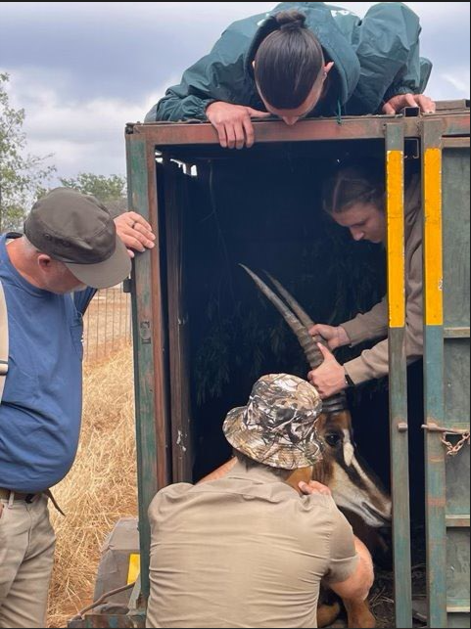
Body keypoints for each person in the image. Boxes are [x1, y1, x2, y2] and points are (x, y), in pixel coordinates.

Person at [0, 188, 155, 629]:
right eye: (87, 274)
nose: (93, 284)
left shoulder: (61, 284)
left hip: (33, 514)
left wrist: (109, 235)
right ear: (45, 261)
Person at [146, 374, 374, 628]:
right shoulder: (320, 520)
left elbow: (199, 491)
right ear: (302, 458)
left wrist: (254, 448)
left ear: (236, 439)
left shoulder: (168, 504)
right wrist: (332, 514)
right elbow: (359, 587)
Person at [146, 3, 435, 149]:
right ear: (255, 69)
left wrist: (397, 90)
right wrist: (211, 107)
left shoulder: (373, 55)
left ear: (326, 73)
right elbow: (160, 111)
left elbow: (398, 16)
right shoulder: (229, 63)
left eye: (300, 111)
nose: (289, 123)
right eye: (278, 112)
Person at [308, 160, 422, 399]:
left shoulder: (428, 231)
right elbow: (405, 302)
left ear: (386, 200)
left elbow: (420, 333)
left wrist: (346, 374)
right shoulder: (408, 226)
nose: (356, 236)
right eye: (348, 228)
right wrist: (344, 333)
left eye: (361, 223)